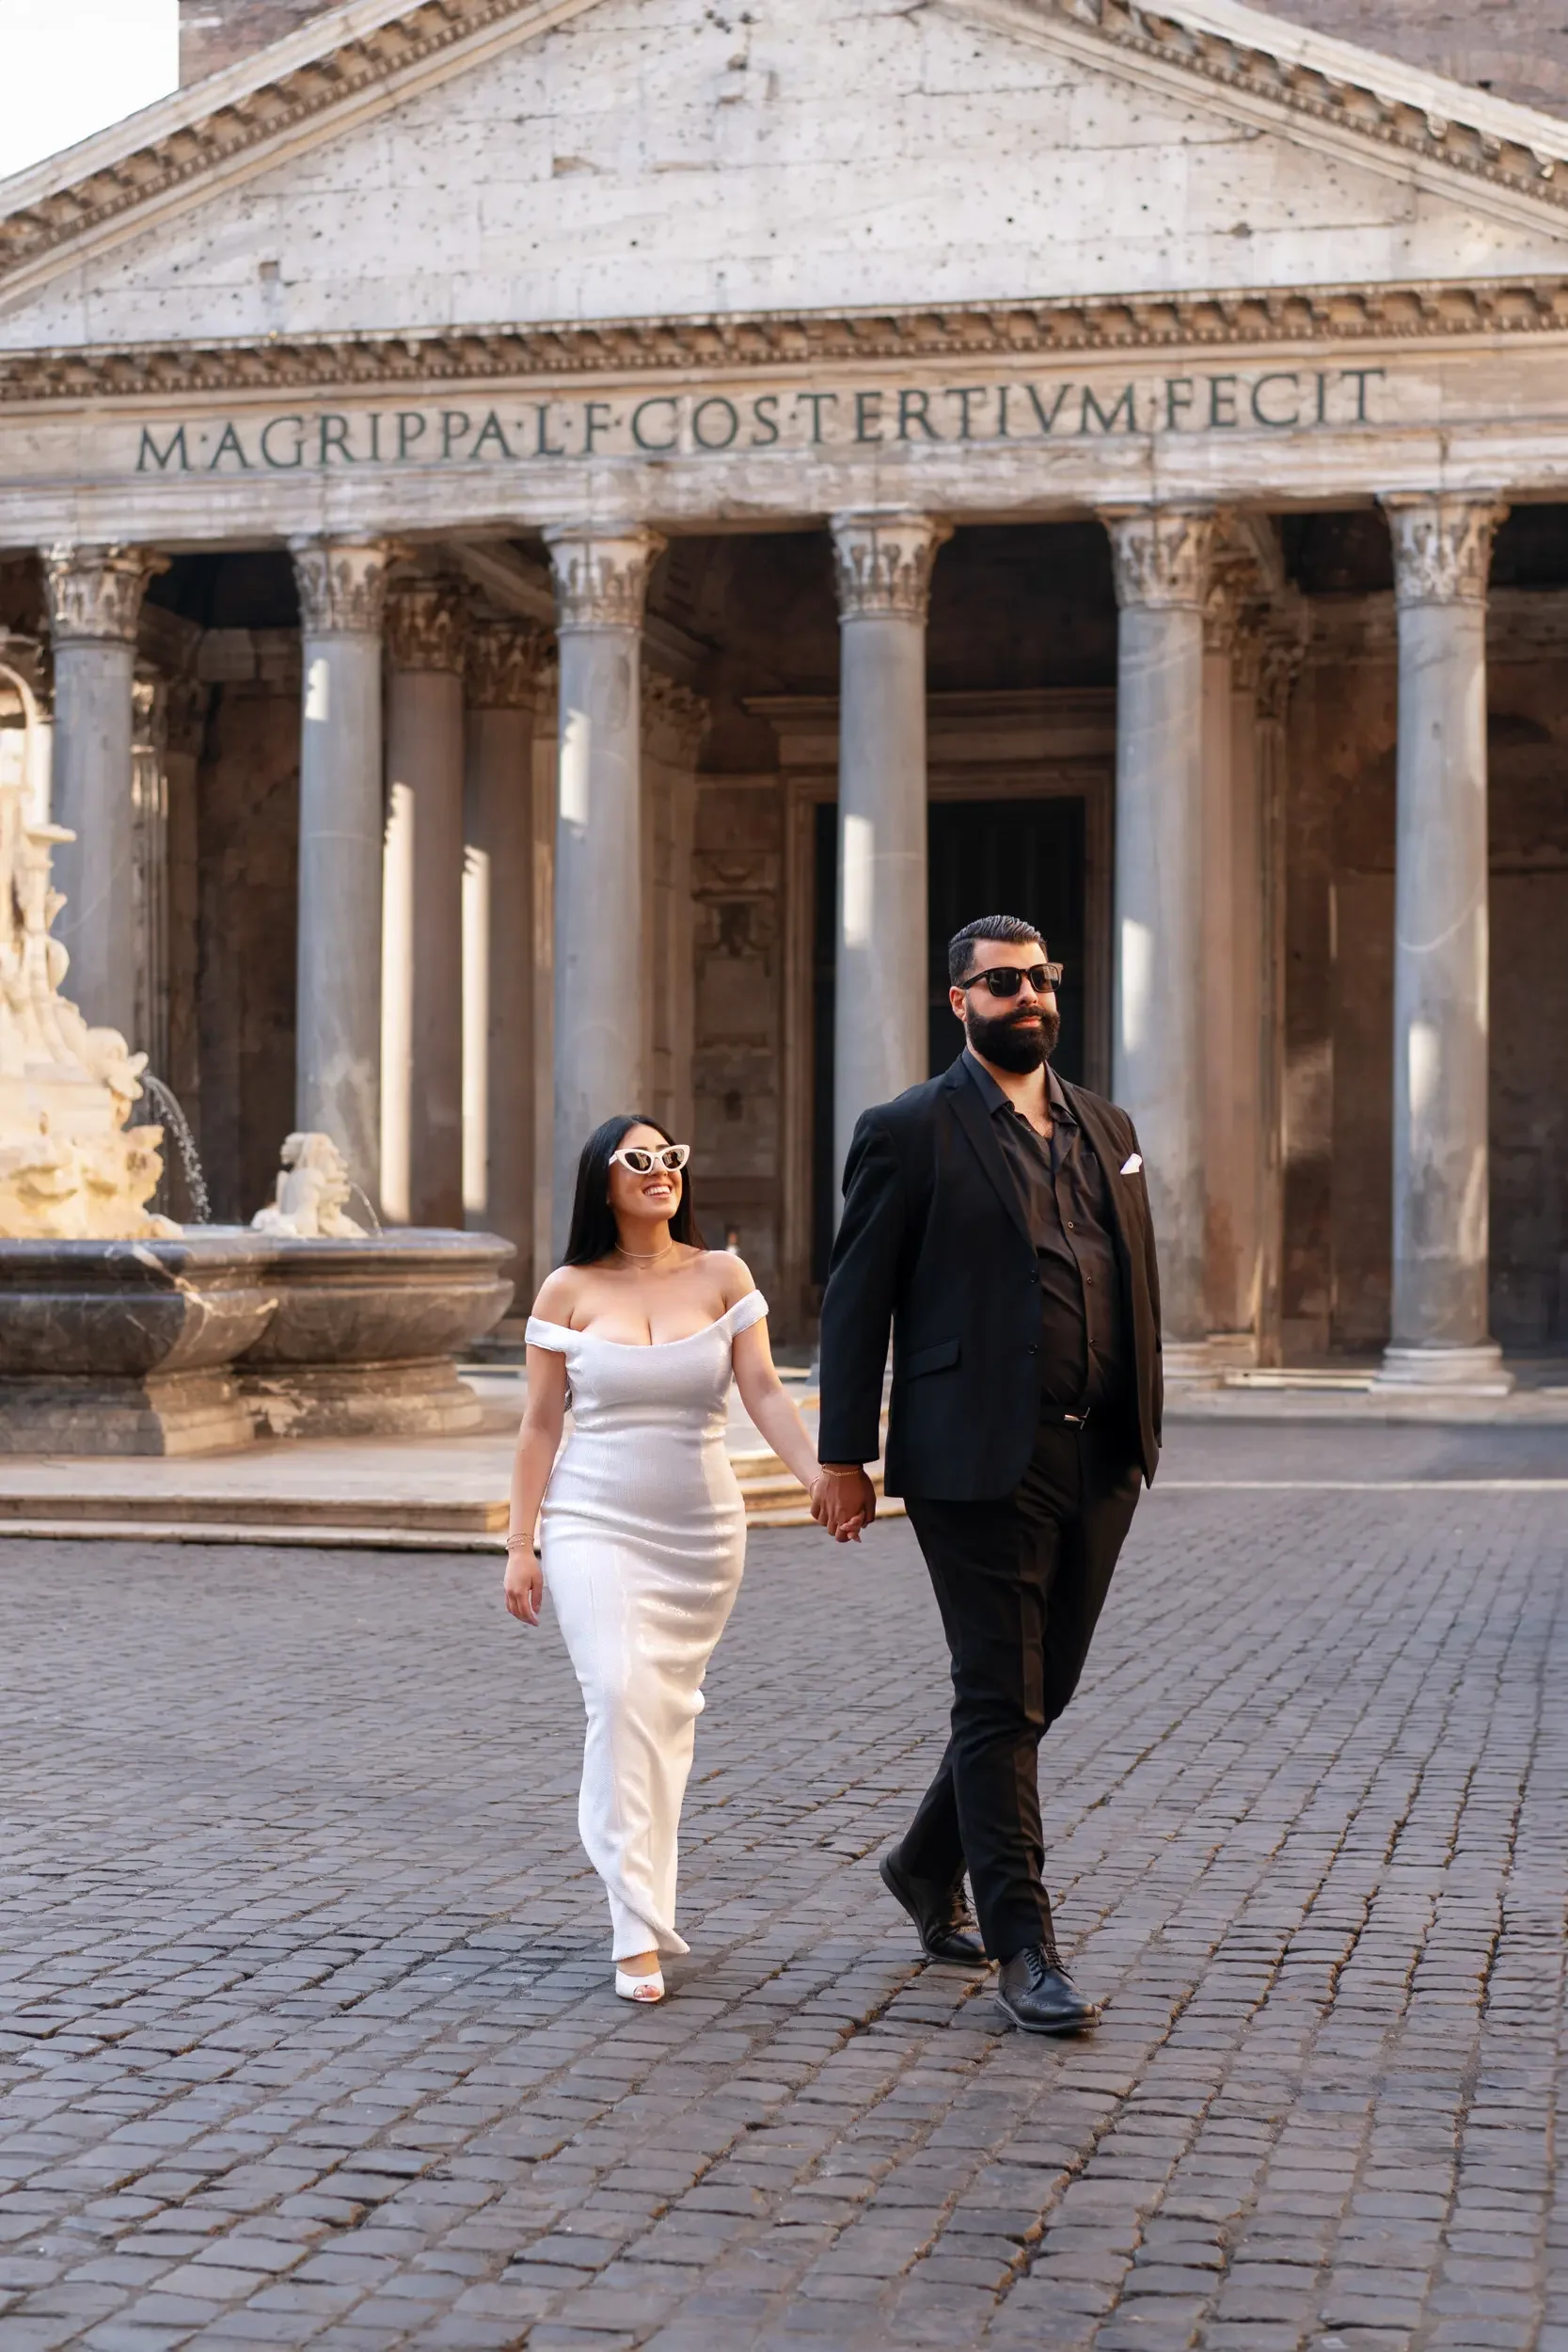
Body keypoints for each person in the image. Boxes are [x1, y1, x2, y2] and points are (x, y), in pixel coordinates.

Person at [814, 915, 1162, 2035]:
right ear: (955, 1000)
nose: (1027, 997)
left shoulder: (1105, 1126)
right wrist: (841, 1454)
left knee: (1043, 1684)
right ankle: (1024, 1945)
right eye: (1002, 982)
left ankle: (923, 1861)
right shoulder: (907, 1130)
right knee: (997, 1693)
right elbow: (856, 1298)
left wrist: (1143, 1415)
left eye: (1040, 978)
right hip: (973, 1457)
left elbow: (1130, 1273)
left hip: (1097, 1448)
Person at [504, 1115, 854, 2003]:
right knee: (620, 1696)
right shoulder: (566, 1290)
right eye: (639, 1160)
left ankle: (644, 1897)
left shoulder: (722, 1274)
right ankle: (634, 1927)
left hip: (700, 1533)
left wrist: (820, 1476)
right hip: (591, 1522)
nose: (660, 1171)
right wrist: (521, 1542)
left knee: (663, 1716)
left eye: (671, 1158)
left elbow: (765, 1391)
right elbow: (540, 1424)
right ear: (603, 1181)